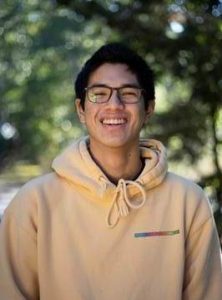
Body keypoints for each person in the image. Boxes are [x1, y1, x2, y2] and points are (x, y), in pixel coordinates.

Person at [0, 43, 221, 300]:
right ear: (81, 109)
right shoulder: (34, 204)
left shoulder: (188, 201)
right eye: (99, 93)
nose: (114, 104)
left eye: (128, 93)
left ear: (148, 108)